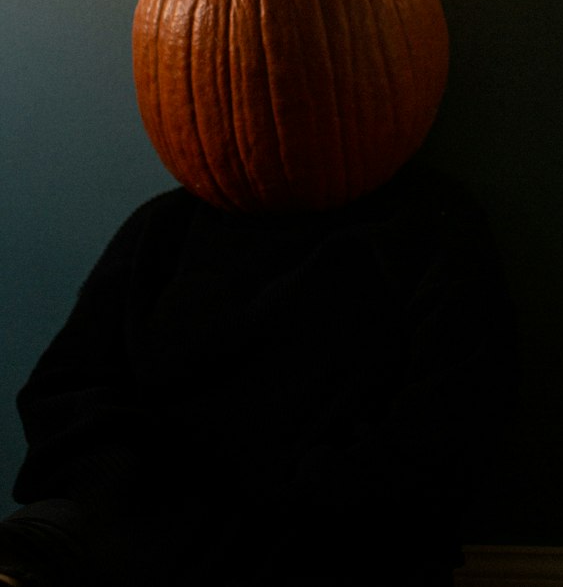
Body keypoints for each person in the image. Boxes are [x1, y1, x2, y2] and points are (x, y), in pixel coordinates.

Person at [0, 153, 515, 587]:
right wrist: (136, 493)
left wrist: (290, 507)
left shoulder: (428, 225)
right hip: (142, 526)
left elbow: (447, 424)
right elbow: (62, 391)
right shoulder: (164, 229)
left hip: (333, 543)